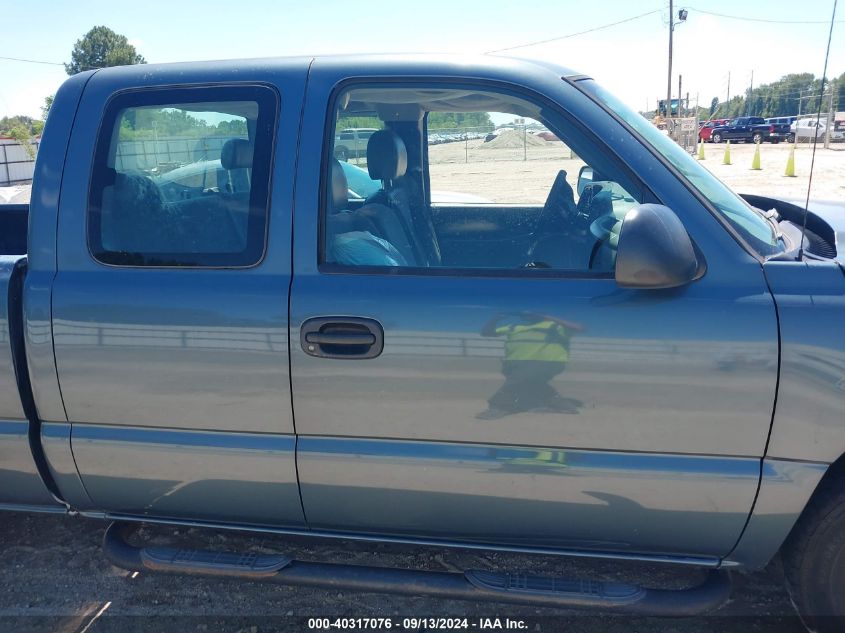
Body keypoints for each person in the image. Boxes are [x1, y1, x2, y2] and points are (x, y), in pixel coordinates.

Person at [476, 312, 583, 420]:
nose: (529, 315)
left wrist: (547, 317)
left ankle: (498, 406)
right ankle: (564, 406)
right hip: (515, 363)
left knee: (515, 383)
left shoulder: (554, 326)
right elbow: (486, 333)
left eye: (533, 313)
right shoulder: (513, 327)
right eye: (526, 314)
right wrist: (495, 319)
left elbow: (579, 328)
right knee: (535, 384)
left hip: (545, 362)